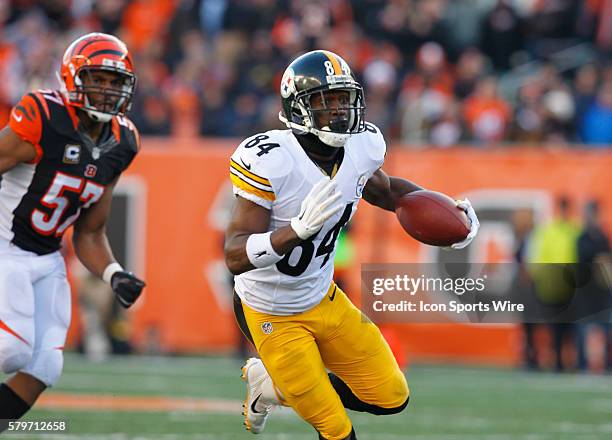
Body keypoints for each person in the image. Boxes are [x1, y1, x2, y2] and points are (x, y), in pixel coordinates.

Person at [224, 50, 479, 440]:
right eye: (325, 102)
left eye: (343, 99)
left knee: (391, 396)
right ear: (298, 108)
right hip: (270, 311)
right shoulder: (272, 160)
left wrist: (449, 211)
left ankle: (270, 388)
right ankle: (289, 385)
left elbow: (390, 192)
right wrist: (294, 230)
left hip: (324, 297)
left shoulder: (361, 148)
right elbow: (235, 254)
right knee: (337, 430)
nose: (338, 111)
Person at [0, 33, 145, 428]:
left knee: (45, 365)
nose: (107, 90)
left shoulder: (123, 141)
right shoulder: (43, 116)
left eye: (116, 82)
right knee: (11, 350)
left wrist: (114, 274)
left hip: (46, 258)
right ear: (72, 77)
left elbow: (90, 232)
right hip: (5, 245)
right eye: (98, 78)